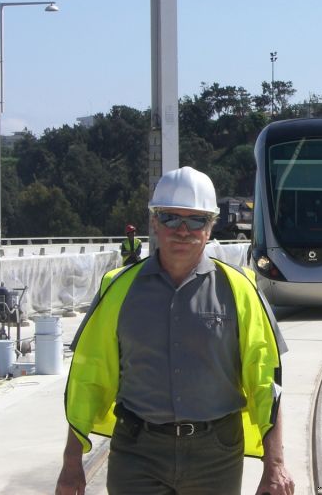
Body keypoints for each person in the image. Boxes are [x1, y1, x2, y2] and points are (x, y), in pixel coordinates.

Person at [55, 167, 294, 495]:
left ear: (210, 228)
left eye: (196, 220)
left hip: (216, 456)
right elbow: (88, 379)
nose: (183, 230)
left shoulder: (241, 290)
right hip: (137, 452)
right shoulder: (118, 289)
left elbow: (267, 383)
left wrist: (275, 465)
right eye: (170, 218)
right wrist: (71, 464)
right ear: (154, 222)